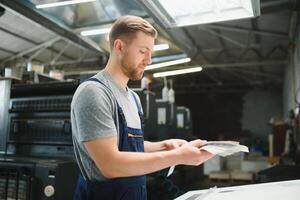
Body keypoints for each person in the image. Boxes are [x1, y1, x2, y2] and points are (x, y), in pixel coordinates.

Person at [71, 15, 214, 200]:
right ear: (119, 47)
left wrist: (164, 146)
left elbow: (128, 147)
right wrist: (179, 157)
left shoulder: (133, 98)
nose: (149, 60)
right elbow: (111, 164)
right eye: (143, 51)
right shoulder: (94, 93)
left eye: (150, 53)